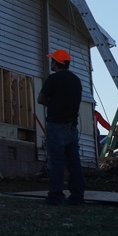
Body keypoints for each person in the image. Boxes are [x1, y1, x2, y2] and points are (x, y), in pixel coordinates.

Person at [37, 48, 85, 206]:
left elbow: (41, 99)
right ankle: (77, 197)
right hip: (71, 127)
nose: (50, 62)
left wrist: (53, 103)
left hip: (56, 125)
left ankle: (55, 197)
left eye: (52, 60)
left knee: (56, 162)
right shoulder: (76, 80)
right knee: (74, 163)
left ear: (56, 63)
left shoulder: (54, 79)